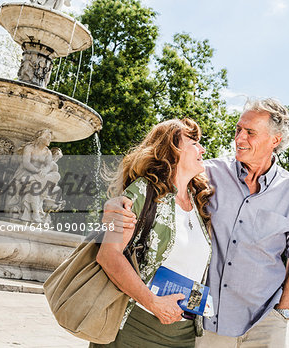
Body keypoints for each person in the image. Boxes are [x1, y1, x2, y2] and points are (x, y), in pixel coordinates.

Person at [103, 98, 289, 348]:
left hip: (265, 325)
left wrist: (283, 313)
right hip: (208, 324)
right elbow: (158, 178)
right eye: (238, 129)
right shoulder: (206, 175)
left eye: (250, 133)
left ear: (275, 140)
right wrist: (115, 203)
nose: (238, 138)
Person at [90, 118, 214, 348]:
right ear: (172, 151)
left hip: (183, 334)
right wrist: (153, 302)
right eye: (194, 142)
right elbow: (108, 255)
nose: (202, 149)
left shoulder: (199, 202)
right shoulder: (143, 191)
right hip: (136, 327)